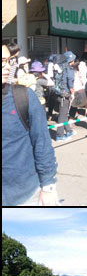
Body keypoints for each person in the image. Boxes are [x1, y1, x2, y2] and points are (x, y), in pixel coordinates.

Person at [2, 43, 59, 206]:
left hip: (24, 194)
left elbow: (42, 142)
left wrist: (48, 186)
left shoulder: (24, 96)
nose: (7, 66)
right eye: (2, 61)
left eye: (9, 60)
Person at [55, 51, 76, 141]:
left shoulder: (61, 68)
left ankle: (68, 130)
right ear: (71, 60)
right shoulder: (69, 69)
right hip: (65, 94)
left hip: (59, 93)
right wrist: (73, 93)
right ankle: (59, 135)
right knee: (62, 115)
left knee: (63, 113)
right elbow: (70, 83)